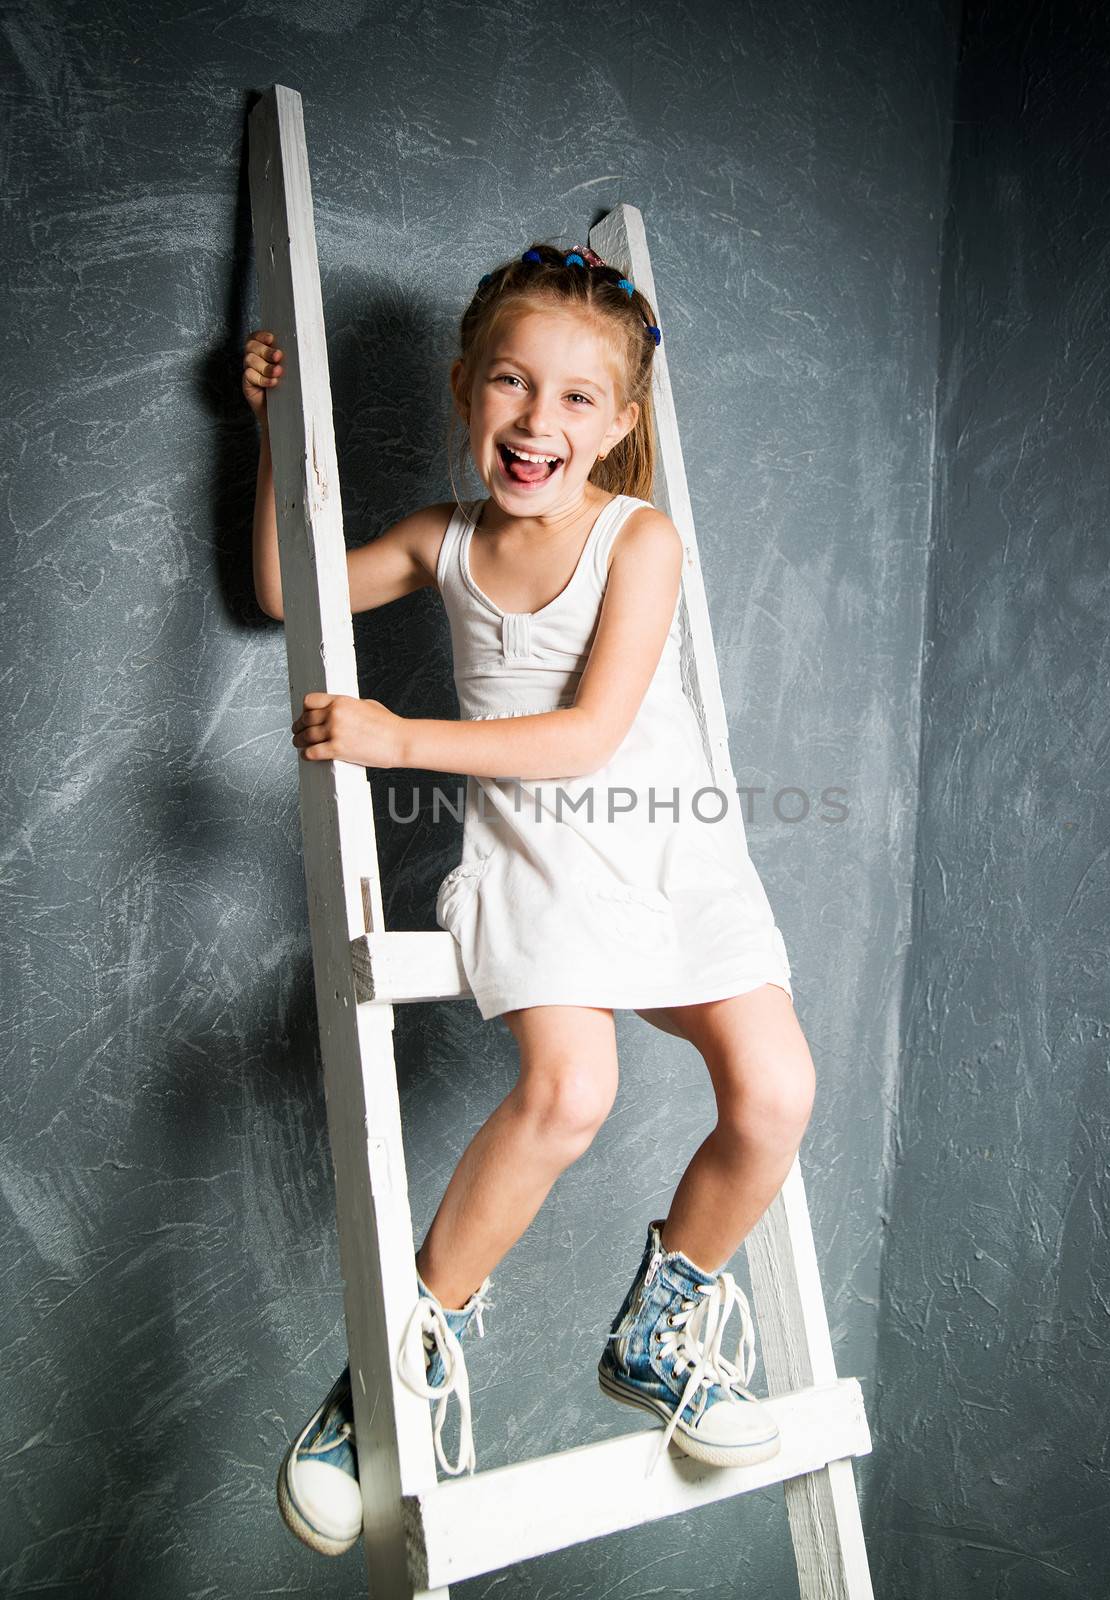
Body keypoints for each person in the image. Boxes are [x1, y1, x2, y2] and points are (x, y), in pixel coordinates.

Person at [243, 240, 817, 1558]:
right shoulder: (441, 544)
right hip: (538, 863)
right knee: (572, 1088)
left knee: (776, 1091)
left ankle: (663, 1320)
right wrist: (268, 429)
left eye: (573, 398)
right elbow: (287, 592)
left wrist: (396, 739)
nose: (535, 420)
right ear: (464, 390)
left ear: (618, 426)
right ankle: (376, 1389)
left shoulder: (639, 536)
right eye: (510, 383)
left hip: (669, 848)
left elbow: (586, 738)